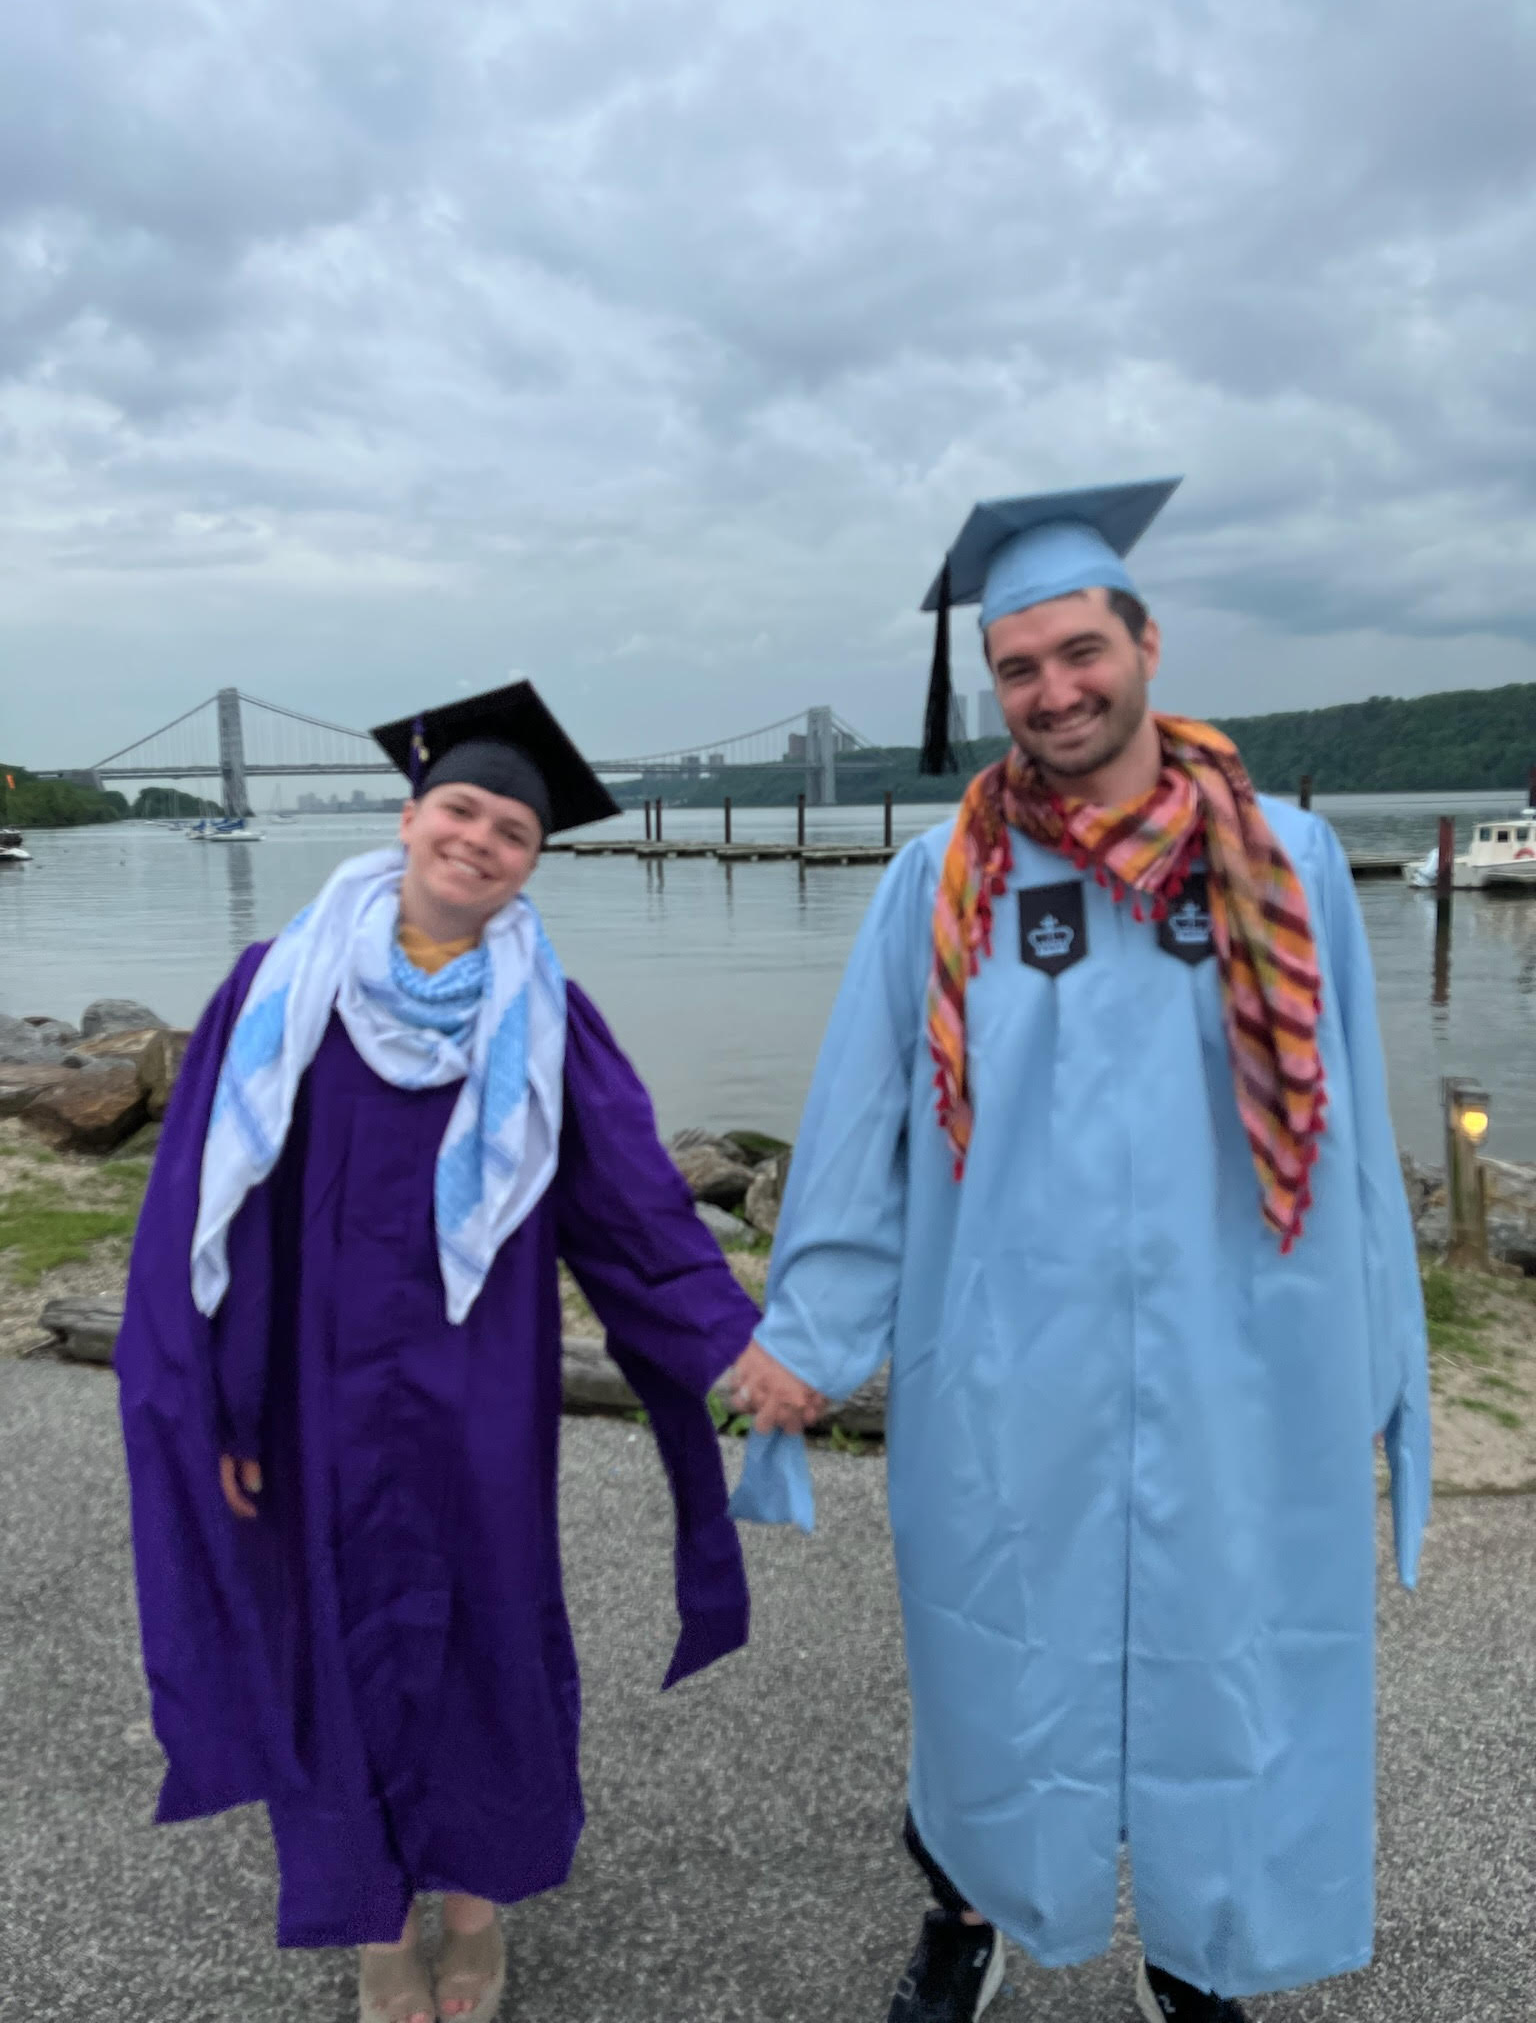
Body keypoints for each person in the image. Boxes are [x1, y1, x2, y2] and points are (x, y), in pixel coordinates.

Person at [729, 480, 1431, 2023]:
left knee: (1231, 1655)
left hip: (1236, 1352)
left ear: (1147, 643)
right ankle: (970, 1914)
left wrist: (1381, 1361)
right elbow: (866, 1127)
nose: (1053, 691)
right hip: (1006, 1354)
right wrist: (813, 1332)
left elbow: (1357, 1129)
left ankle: (1205, 1958)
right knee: (994, 1664)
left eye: (1077, 653)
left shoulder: (1287, 865)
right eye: (1020, 668)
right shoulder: (947, 881)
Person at [117, 683, 767, 2023]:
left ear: (535, 860)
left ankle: (473, 1911)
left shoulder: (546, 1017)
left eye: (512, 829)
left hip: (479, 1396)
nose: (479, 839)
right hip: (314, 1394)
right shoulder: (280, 989)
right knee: (330, 1639)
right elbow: (202, 1215)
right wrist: (224, 1410)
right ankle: (373, 1923)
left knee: (487, 1631)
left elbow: (638, 1208)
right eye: (460, 809)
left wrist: (736, 1349)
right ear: (410, 817)